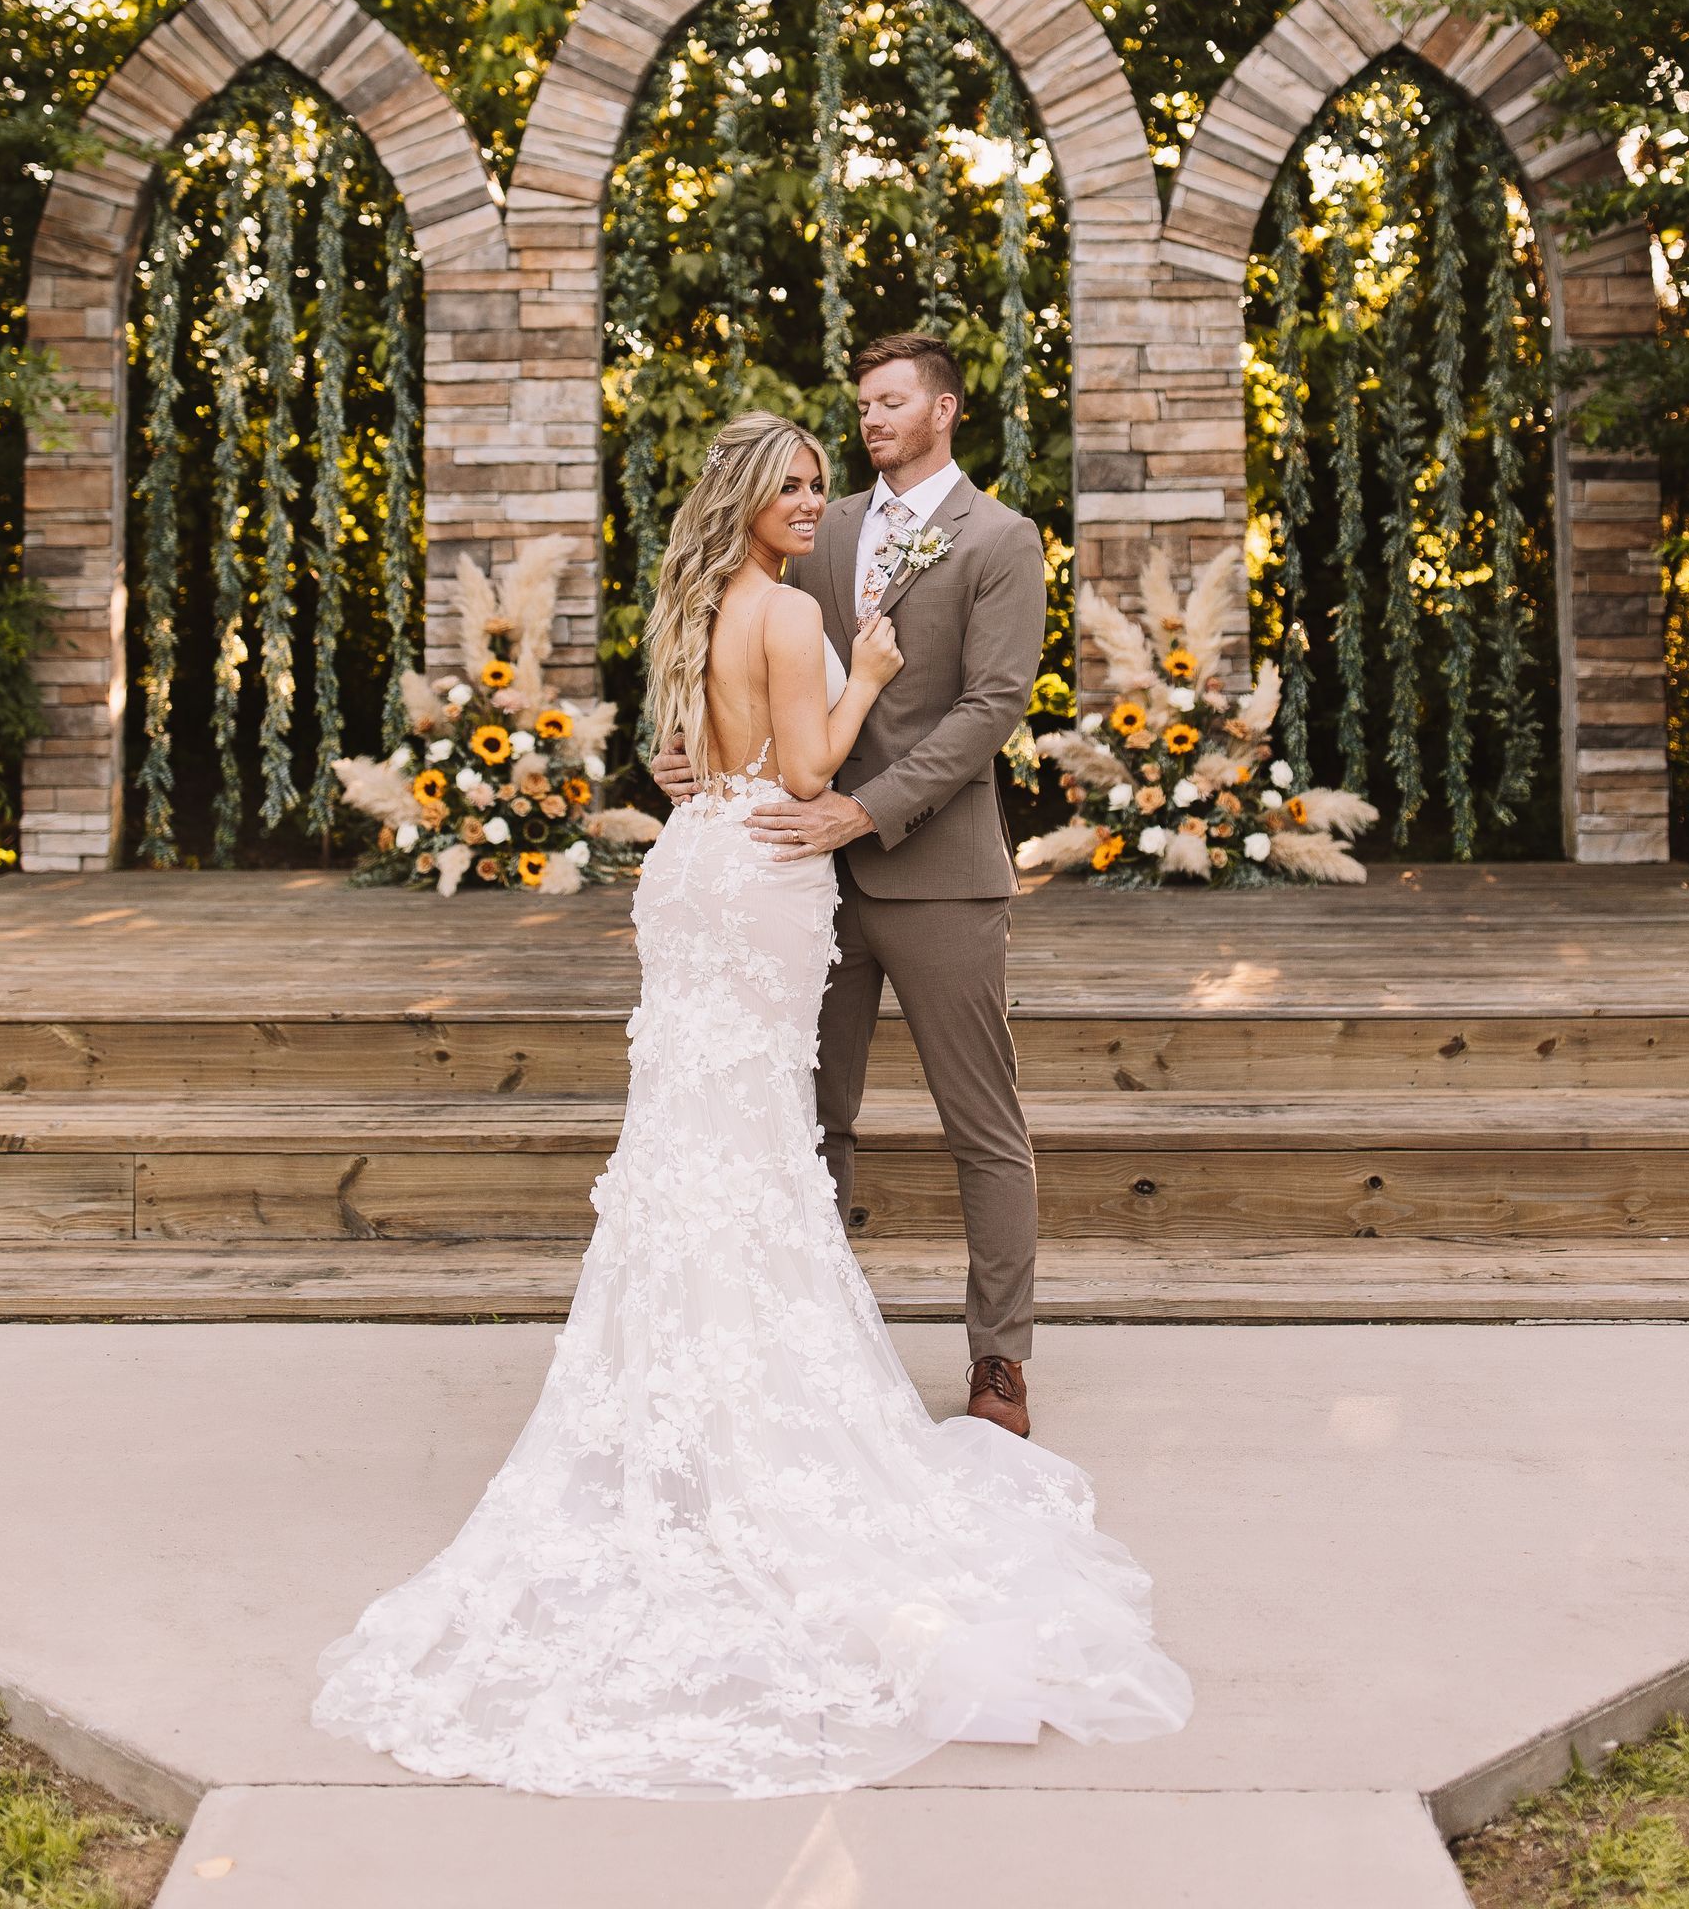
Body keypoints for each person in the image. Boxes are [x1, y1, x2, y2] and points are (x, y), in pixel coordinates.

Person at [312, 409, 1190, 1797]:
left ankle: (681, 1401)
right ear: (746, 499)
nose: (807, 501)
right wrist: (878, 669)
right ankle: (748, 1415)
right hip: (767, 871)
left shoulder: (691, 606)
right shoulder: (784, 614)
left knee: (700, 1144)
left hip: (694, 871)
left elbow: (694, 763)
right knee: (750, 1144)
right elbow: (804, 774)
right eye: (786, 486)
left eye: (815, 484)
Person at [652, 333, 1044, 1436]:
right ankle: (805, 1349)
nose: (870, 420)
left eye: (890, 403)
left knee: (983, 1125)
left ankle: (999, 1362)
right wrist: (679, 752)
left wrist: (866, 809)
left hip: (937, 874)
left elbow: (990, 707)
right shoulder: (812, 531)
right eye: (862, 405)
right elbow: (729, 657)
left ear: (945, 411)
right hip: (797, 878)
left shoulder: (1002, 541)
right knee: (807, 1119)